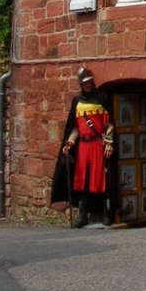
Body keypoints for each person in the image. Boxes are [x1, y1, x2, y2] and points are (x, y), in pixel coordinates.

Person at [51, 67, 117, 227]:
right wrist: (70, 143)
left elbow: (109, 123)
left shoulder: (102, 99)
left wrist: (109, 143)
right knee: (82, 179)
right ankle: (83, 214)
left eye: (89, 82)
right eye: (84, 83)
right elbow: (74, 127)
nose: (87, 85)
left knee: (100, 178)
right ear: (81, 84)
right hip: (83, 146)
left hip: (97, 144)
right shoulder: (77, 102)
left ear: (92, 82)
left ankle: (105, 212)